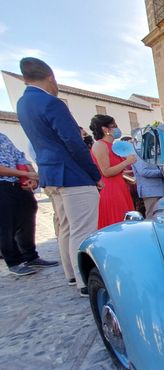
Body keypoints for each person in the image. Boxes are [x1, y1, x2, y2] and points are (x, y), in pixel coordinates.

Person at [16, 57, 102, 296]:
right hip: (72, 175)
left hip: (50, 174)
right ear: (50, 77)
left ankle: (72, 274)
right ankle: (86, 280)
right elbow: (73, 142)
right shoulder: (51, 102)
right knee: (82, 229)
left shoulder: (23, 104)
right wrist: (94, 174)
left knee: (65, 227)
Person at [0, 132, 58, 276]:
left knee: (27, 217)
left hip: (18, 184)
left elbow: (20, 157)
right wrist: (25, 175)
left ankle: (30, 256)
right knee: (6, 225)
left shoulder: (3, 136)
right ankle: (13, 262)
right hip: (3, 186)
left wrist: (32, 175)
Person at [89, 115, 135, 229]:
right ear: (105, 129)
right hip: (111, 190)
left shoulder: (112, 146)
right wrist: (126, 162)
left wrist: (126, 174)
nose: (117, 128)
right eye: (114, 126)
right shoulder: (100, 145)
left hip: (120, 187)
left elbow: (115, 170)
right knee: (117, 224)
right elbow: (106, 171)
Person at [131, 149, 164, 217]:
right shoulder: (138, 152)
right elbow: (143, 171)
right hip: (151, 192)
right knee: (151, 217)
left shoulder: (154, 149)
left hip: (160, 190)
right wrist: (162, 172)